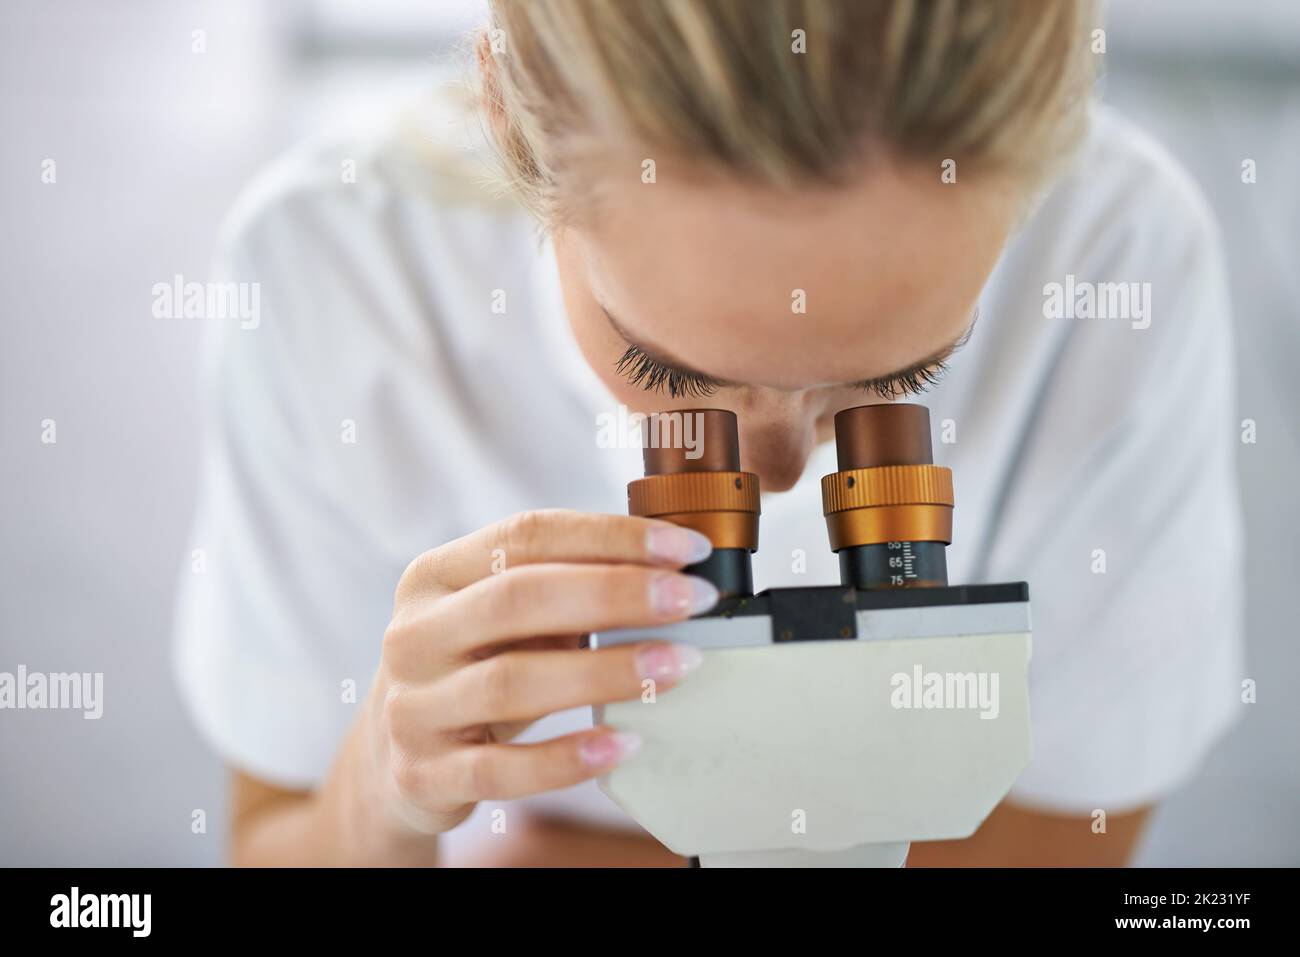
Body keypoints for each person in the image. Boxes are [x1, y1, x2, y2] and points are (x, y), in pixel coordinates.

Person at [173, 0, 1244, 866]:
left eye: (903, 378)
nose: (782, 474)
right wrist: (387, 789)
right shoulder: (328, 273)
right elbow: (274, 842)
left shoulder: (1119, 266)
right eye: (668, 374)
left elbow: (1071, 840)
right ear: (506, 110)